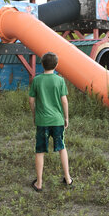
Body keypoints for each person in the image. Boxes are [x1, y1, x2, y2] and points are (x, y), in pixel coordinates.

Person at [29, 52, 73, 192]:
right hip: (57, 120)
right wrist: (66, 118)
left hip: (42, 121)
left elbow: (31, 100)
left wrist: (34, 115)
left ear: (42, 64)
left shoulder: (37, 80)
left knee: (40, 150)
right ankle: (68, 178)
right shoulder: (60, 80)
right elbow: (64, 101)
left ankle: (39, 183)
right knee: (61, 147)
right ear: (56, 65)